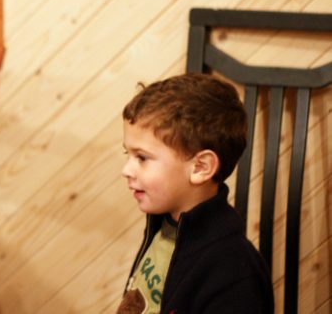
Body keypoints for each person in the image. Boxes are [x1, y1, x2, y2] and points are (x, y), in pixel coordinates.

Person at [116, 73, 274, 314]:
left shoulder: (234, 272)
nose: (126, 170)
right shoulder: (166, 226)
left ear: (200, 167)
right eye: (128, 155)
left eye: (142, 158)